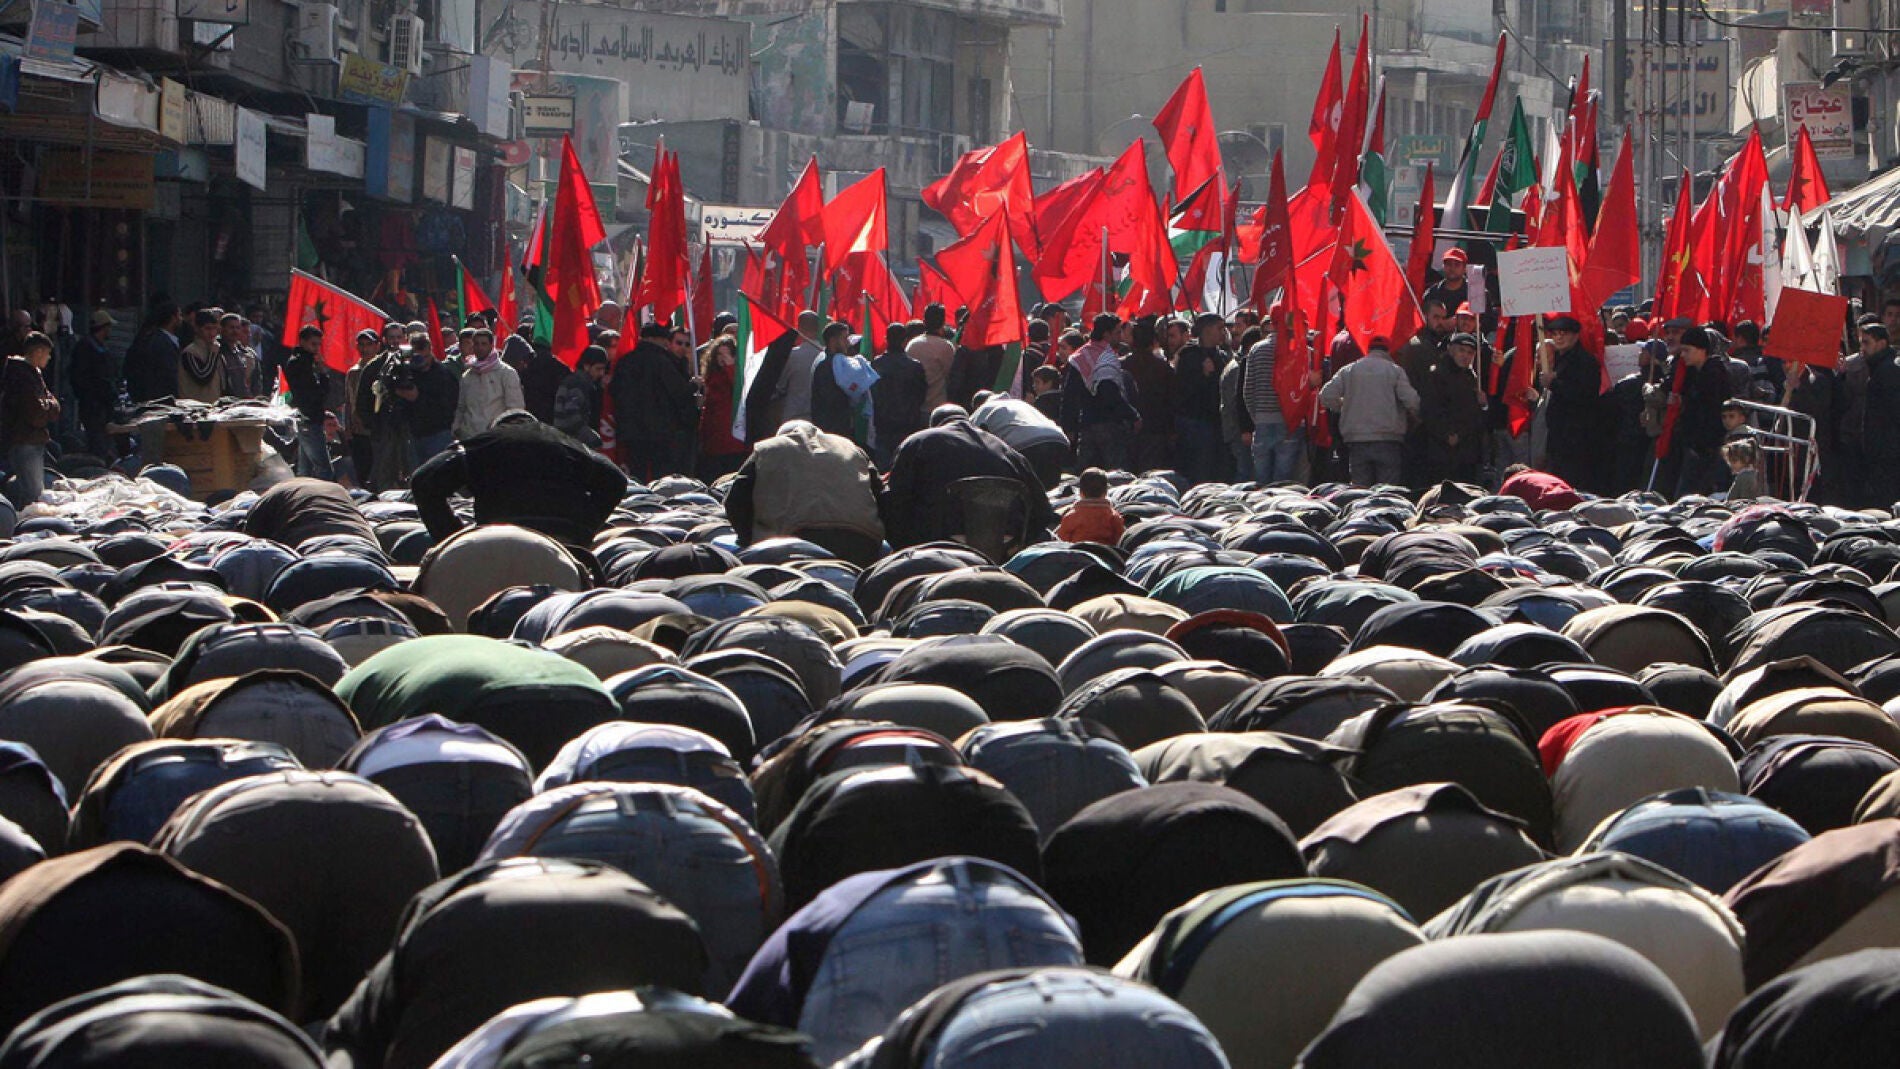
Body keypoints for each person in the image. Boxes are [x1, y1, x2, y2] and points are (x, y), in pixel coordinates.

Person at [410, 410, 628, 549]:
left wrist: (454, 538)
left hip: (496, 538)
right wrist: (585, 527)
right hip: (565, 538)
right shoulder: (570, 445)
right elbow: (616, 480)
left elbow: (423, 481)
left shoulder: (482, 445)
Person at [880, 407, 1056, 548]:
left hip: (937, 544)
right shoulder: (1007, 451)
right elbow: (1043, 512)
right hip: (1005, 545)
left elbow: (894, 500)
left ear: (933, 425)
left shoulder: (918, 442)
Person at [724, 419, 885, 566]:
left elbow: (735, 501)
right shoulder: (853, 449)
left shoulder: (767, 449)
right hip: (862, 543)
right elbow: (882, 498)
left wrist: (749, 540)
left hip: (789, 546)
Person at [1319, 336, 1419, 487]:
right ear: (1388, 351)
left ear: (1368, 349)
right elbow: (1412, 401)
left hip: (1356, 440)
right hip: (1388, 439)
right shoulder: (1395, 371)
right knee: (1387, 491)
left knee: (1360, 489)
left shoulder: (1349, 370)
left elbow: (1326, 395)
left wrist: (1344, 406)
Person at [611, 322, 700, 481]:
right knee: (661, 475)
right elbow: (679, 392)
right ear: (659, 339)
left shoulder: (625, 361)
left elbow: (615, 391)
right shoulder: (662, 361)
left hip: (631, 428)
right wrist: (694, 385)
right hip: (661, 430)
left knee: (637, 472)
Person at [1061, 314, 1141, 471]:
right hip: (1109, 425)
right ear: (1106, 334)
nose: (1120, 336)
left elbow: (1069, 396)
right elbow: (1109, 392)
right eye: (1117, 332)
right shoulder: (1105, 358)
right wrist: (1132, 415)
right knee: (1116, 473)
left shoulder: (1080, 356)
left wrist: (1069, 427)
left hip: (1086, 425)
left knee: (1087, 472)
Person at [1539, 315, 1609, 493]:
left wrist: (1554, 384)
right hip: (1559, 434)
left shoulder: (1585, 361)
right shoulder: (1559, 359)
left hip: (1577, 435)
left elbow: (1584, 394)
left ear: (1575, 336)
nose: (1559, 337)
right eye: (1555, 334)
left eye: (1563, 333)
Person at [1663, 326, 1732, 498]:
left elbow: (1709, 407)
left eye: (1687, 350)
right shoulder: (1693, 373)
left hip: (1708, 445)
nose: (1683, 355)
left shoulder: (1715, 374)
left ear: (1702, 350)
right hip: (1695, 443)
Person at [1420, 332, 1489, 485]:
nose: (1465, 356)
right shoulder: (1438, 374)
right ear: (1451, 349)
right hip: (1444, 449)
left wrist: (1483, 404)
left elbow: (1475, 415)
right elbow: (1430, 409)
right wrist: (1446, 433)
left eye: (1470, 353)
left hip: (1468, 449)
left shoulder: (1471, 377)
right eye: (1461, 350)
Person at [1, 332, 58, 507]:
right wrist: (48, 407)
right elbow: (36, 413)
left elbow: (52, 404)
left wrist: (48, 406)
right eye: (47, 353)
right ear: (38, 352)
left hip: (32, 439)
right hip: (25, 440)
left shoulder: (34, 373)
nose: (49, 357)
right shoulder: (21, 376)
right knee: (32, 493)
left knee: (32, 490)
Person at [970, 392, 1071, 490]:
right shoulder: (1019, 403)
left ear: (977, 406)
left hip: (1026, 446)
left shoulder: (982, 410)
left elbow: (967, 435)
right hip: (1059, 440)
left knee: (1024, 491)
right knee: (1051, 490)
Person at [1174, 313, 1230, 483]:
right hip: (1196, 421)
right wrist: (1203, 375)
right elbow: (1183, 391)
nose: (1223, 333)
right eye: (1219, 328)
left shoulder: (1222, 356)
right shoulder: (1189, 356)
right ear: (1207, 330)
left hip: (1217, 420)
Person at [810, 321, 877, 449]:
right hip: (831, 430)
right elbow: (829, 400)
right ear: (833, 340)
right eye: (844, 338)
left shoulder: (836, 363)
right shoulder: (826, 365)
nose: (848, 343)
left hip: (839, 427)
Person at [281, 325, 336, 480]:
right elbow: (315, 393)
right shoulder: (300, 364)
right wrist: (323, 374)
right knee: (323, 467)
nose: (316, 348)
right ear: (302, 342)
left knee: (305, 468)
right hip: (308, 418)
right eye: (313, 344)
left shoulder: (306, 362)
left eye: (318, 344)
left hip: (309, 417)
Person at [870, 322, 927, 468]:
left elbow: (873, 394)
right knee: (906, 465)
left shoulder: (876, 364)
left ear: (886, 339)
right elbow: (921, 395)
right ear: (905, 341)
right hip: (908, 423)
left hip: (883, 424)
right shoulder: (915, 366)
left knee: (884, 466)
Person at [451, 329, 522, 441]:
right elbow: (461, 407)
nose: (480, 348)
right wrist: (456, 428)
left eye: (484, 344)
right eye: (477, 344)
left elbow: (515, 409)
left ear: (491, 346)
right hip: (469, 437)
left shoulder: (506, 373)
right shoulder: (467, 376)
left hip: (495, 437)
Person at [400, 331, 460, 465]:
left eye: (425, 356)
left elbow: (447, 407)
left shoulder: (443, 375)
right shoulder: (408, 372)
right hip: (413, 434)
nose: (422, 361)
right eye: (417, 356)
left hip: (437, 434)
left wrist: (417, 398)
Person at [1125, 319, 1176, 472]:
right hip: (1156, 427)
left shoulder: (1121, 365)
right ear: (1154, 342)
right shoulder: (1164, 368)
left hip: (1129, 426)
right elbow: (1171, 400)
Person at [697, 336, 749, 481]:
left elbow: (739, 390)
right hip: (714, 438)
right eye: (719, 354)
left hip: (733, 439)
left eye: (726, 354)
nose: (722, 358)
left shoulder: (739, 374)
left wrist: (731, 367)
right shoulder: (711, 377)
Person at [70, 310, 117, 460]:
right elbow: (81, 378)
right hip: (93, 406)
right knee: (98, 446)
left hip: (101, 406)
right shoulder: (86, 348)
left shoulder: (98, 347)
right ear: (104, 327)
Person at [552, 345, 610, 449]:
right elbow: (571, 414)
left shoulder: (578, 382)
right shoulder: (578, 384)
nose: (601, 373)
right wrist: (590, 436)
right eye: (598, 369)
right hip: (571, 443)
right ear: (586, 366)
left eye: (603, 369)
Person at [124, 302, 181, 404]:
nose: (181, 319)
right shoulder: (162, 343)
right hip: (161, 399)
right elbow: (168, 375)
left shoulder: (155, 339)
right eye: (179, 315)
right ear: (173, 318)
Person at [906, 304, 958, 411]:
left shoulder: (912, 345)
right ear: (943, 322)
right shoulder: (945, 347)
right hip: (937, 407)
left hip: (914, 407)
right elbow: (951, 376)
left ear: (924, 321)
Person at [1056, 467, 1125, 544]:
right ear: (1105, 492)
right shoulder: (1113, 517)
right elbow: (1121, 542)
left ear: (1080, 493)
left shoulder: (1071, 517)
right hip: (1104, 551)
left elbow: (1061, 542)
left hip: (1078, 550)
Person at [177, 309, 225, 403]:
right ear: (197, 328)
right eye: (207, 328)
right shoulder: (190, 352)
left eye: (214, 328)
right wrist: (213, 354)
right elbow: (202, 378)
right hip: (194, 408)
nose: (212, 333)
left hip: (214, 406)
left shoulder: (216, 348)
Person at [218, 312, 258, 398]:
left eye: (238, 328)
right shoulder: (216, 352)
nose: (235, 331)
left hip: (243, 401)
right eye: (231, 327)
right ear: (222, 329)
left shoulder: (245, 353)